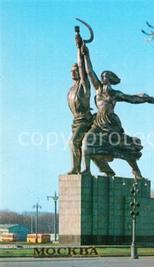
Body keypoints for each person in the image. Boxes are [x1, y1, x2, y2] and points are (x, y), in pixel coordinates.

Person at [80, 43, 154, 179]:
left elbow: (135, 99)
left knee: (122, 147)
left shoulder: (115, 94)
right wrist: (86, 54)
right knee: (87, 140)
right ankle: (86, 169)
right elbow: (89, 71)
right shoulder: (97, 89)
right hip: (98, 122)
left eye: (106, 76)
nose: (103, 78)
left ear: (110, 80)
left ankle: (135, 170)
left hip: (111, 123)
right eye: (102, 76)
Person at [67, 35, 92, 175]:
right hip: (75, 121)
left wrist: (78, 48)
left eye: (75, 70)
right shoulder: (71, 89)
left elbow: (82, 66)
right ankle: (76, 167)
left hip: (85, 120)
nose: (72, 72)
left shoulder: (84, 85)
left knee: (73, 142)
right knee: (75, 144)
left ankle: (78, 168)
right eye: (71, 70)